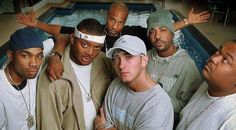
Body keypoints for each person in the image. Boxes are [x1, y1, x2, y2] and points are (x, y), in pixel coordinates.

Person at [16, 2, 210, 52]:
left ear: (125, 22)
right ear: (106, 17)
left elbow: (160, 32)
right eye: (112, 20)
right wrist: (37, 24)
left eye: (120, 22)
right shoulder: (95, 31)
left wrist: (186, 22)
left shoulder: (132, 32)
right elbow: (63, 30)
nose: (115, 26)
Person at [36, 18, 115, 130]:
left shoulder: (105, 62)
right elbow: (48, 124)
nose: (90, 53)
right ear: (72, 39)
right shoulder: (53, 74)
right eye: (84, 45)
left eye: (96, 47)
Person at [95, 35, 174, 130]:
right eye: (116, 58)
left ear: (144, 60)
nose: (121, 65)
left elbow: (103, 124)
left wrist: (100, 127)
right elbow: (105, 120)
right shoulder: (115, 84)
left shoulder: (157, 104)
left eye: (128, 57)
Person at [146, 9, 203, 124]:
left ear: (172, 33)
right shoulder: (144, 59)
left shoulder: (186, 66)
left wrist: (157, 97)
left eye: (163, 30)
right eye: (152, 32)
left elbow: (191, 108)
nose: (157, 36)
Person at [0, 27, 53, 130]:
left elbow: (61, 37)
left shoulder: (31, 68)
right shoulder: (2, 90)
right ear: (10, 55)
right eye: (25, 56)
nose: (34, 63)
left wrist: (56, 56)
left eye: (39, 56)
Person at [176, 40, 236, 130]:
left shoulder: (231, 121)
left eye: (225, 60)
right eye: (218, 52)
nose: (214, 58)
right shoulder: (207, 84)